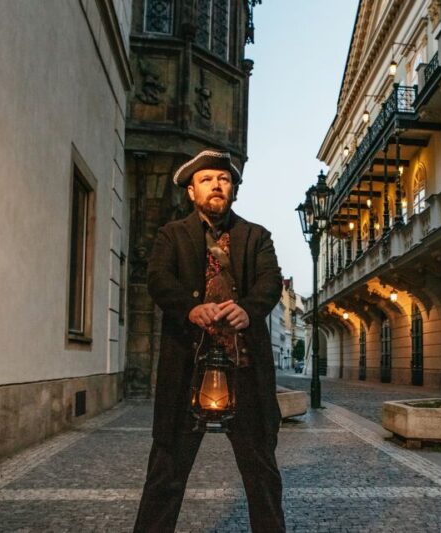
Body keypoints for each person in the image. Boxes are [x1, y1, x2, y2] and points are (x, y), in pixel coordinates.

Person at [134, 149, 286, 533]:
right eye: (206, 180)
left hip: (244, 368)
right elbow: (159, 279)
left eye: (223, 179)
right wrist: (190, 308)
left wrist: (248, 310)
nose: (216, 185)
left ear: (233, 188)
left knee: (262, 476)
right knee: (166, 472)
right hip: (188, 367)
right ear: (191, 191)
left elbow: (269, 282)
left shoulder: (257, 236)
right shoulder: (171, 235)